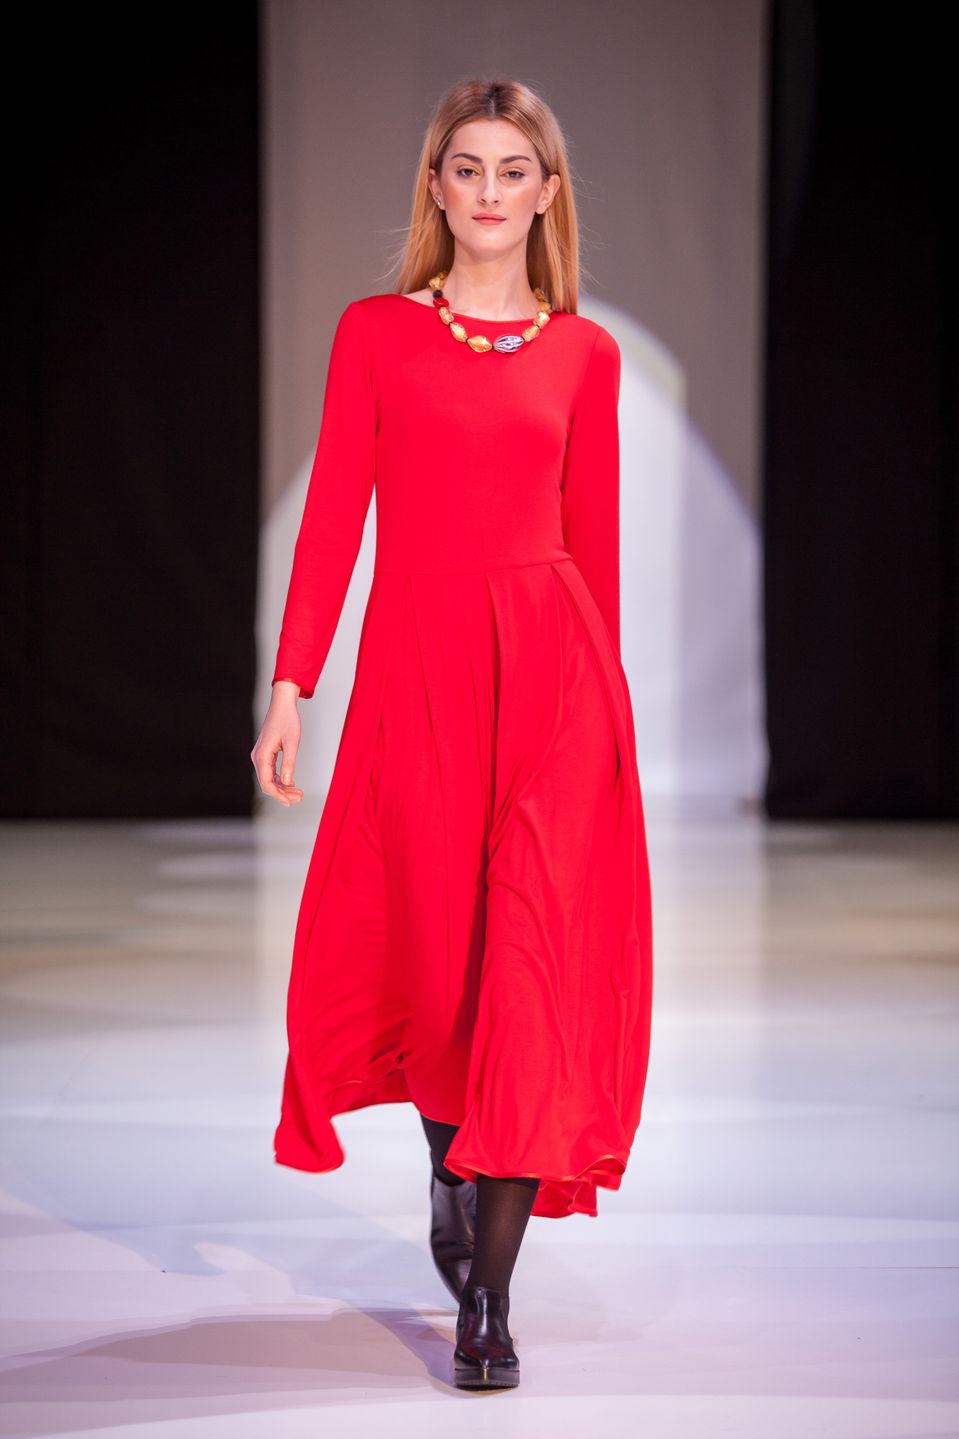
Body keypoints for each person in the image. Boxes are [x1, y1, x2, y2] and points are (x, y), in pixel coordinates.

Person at [251, 75, 653, 1391]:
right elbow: (335, 515)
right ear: (437, 186)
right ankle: (449, 1168)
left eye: (512, 170)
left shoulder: (583, 356)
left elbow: (593, 544)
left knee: (531, 969)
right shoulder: (375, 334)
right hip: (420, 677)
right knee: (439, 964)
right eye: (467, 168)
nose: (489, 191)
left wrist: (608, 719)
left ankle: (489, 1294)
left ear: (547, 194)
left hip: (552, 684)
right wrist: (293, 682)